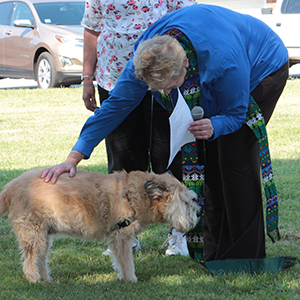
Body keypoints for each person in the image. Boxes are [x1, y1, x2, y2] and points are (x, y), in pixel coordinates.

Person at [42, 4, 289, 265]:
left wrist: (216, 125)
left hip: (262, 68)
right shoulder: (146, 57)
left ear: (185, 65)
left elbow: (236, 114)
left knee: (234, 158)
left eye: (172, 87)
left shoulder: (223, 60)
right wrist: (73, 158)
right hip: (216, 59)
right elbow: (113, 109)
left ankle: (243, 256)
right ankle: (215, 252)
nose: (169, 93)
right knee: (211, 162)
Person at [81, 0, 195, 256]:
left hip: (165, 77)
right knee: (123, 162)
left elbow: (186, 19)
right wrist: (88, 77)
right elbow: (92, 29)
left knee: (171, 154)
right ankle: (125, 233)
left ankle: (179, 233)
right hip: (114, 76)